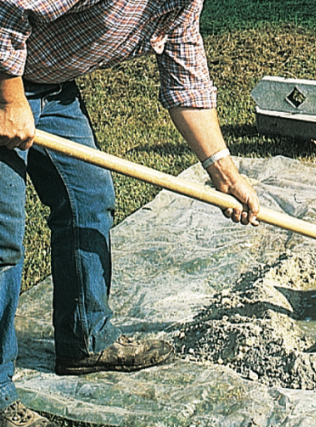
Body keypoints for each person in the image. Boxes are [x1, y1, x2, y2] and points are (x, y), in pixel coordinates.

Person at [0, 1, 260, 425]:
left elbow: (187, 81)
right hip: (3, 78)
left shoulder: (181, 5)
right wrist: (10, 97)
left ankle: (85, 339)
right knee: (3, 238)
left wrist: (226, 176)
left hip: (51, 86)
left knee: (88, 200)